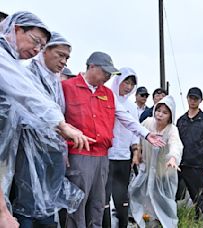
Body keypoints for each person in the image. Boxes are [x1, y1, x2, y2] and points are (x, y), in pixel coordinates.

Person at [0, 11, 91, 227]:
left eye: (40, 45)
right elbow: (27, 93)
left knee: (42, 208)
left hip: (26, 153)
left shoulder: (20, 65)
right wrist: (61, 125)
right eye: (35, 41)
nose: (36, 49)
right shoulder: (10, 63)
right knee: (26, 207)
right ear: (16, 29)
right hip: (25, 151)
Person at [62, 51, 165, 228]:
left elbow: (126, 117)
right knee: (77, 203)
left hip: (103, 157)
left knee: (98, 203)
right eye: (105, 72)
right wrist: (62, 150)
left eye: (111, 74)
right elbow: (57, 120)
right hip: (79, 154)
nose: (108, 77)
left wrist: (146, 134)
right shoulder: (68, 87)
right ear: (92, 67)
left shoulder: (108, 95)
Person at [129, 95, 183, 228]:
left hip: (163, 172)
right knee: (139, 192)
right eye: (158, 111)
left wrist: (172, 158)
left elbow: (176, 145)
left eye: (165, 113)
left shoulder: (172, 129)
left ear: (170, 116)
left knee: (164, 198)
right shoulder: (147, 122)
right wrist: (138, 151)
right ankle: (141, 219)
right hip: (146, 168)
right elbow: (137, 134)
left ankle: (165, 222)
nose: (160, 115)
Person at [102, 67, 139, 228]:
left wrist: (136, 151)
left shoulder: (131, 106)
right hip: (106, 155)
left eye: (132, 84)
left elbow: (135, 130)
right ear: (118, 81)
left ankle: (123, 224)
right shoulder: (107, 98)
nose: (128, 87)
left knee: (121, 195)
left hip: (124, 157)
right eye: (126, 82)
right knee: (104, 197)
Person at [175, 87, 203, 220]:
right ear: (187, 98)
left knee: (197, 196)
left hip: (196, 165)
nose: (193, 101)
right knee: (174, 193)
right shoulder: (181, 120)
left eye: (196, 99)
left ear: (200, 100)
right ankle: (173, 218)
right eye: (191, 98)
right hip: (180, 163)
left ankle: (201, 220)